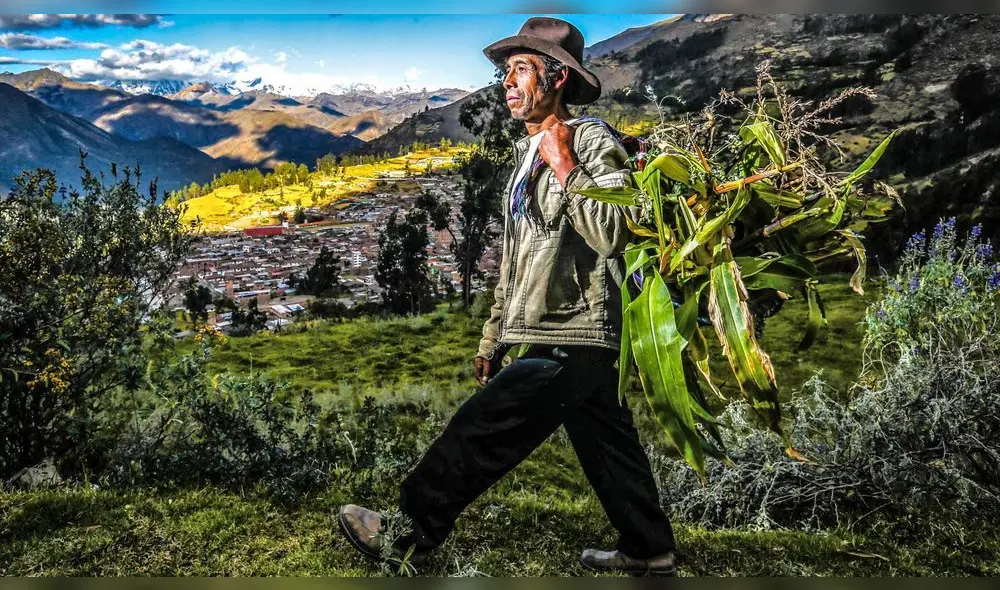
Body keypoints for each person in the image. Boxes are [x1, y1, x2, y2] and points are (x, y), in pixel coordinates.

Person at [337, 16, 678, 576]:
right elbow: (517, 259)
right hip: (543, 326)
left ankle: (406, 532)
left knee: (482, 428)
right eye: (505, 72)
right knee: (607, 443)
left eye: (521, 69)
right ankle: (648, 547)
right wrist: (494, 334)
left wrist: (566, 168)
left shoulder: (589, 140)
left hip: (578, 328)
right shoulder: (524, 157)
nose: (507, 83)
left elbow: (615, 233)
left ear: (558, 79)